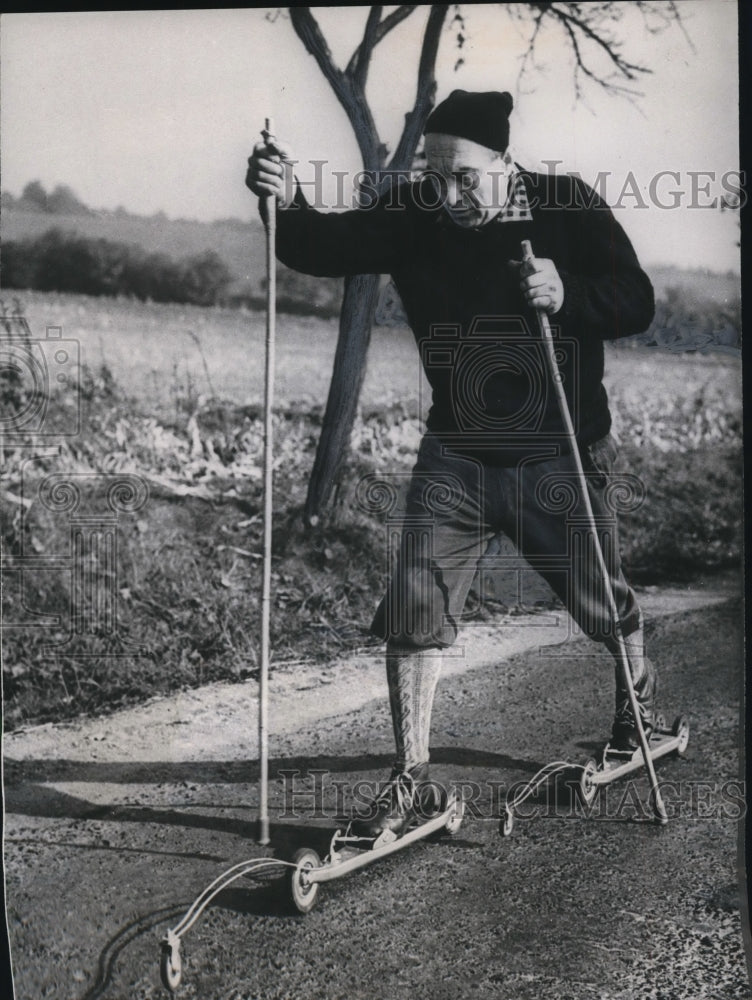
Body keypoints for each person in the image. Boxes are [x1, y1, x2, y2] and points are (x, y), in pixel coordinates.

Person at [245, 89, 657, 839]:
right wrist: (281, 199)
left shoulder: (565, 205)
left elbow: (636, 300)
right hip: (457, 452)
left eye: (464, 176)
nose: (448, 192)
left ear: (505, 164)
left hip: (558, 447)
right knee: (413, 610)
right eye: (434, 175)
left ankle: (640, 715)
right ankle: (410, 780)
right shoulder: (416, 212)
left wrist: (568, 294)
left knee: (601, 601)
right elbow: (321, 247)